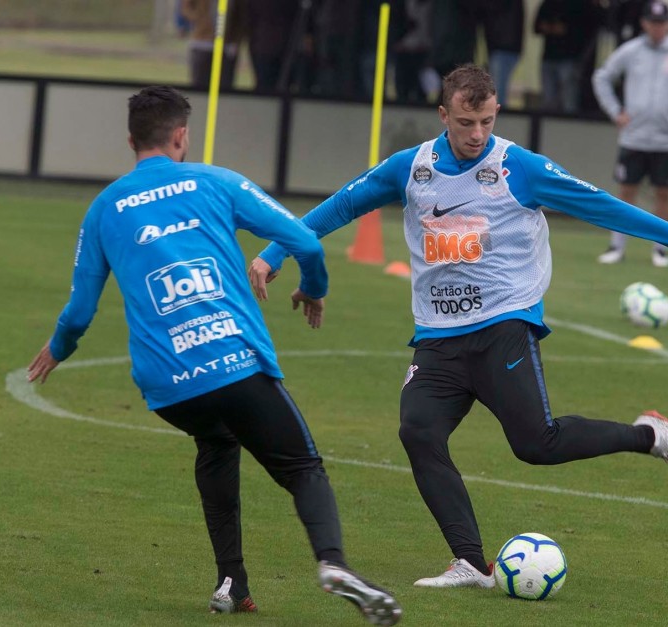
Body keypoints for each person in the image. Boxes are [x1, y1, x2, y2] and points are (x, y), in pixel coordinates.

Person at [249, 65, 668, 588]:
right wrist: (276, 252)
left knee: (535, 444)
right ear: (443, 116)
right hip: (437, 335)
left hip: (505, 322)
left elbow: (603, 207)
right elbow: (339, 206)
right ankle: (470, 563)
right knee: (419, 430)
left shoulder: (519, 167)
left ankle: (648, 435)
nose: (477, 134)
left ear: (496, 111)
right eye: (465, 122)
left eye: (486, 121)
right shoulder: (410, 168)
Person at [26, 86, 401, 625]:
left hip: (167, 387)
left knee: (216, 440)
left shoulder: (104, 207)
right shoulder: (217, 181)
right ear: (182, 136)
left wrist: (57, 350)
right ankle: (334, 564)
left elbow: (80, 311)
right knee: (303, 469)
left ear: (131, 139)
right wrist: (313, 286)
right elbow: (308, 244)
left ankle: (232, 582)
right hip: (234, 363)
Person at [592, 0, 668, 267]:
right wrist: (615, 111)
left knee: (664, 193)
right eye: (653, 23)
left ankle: (661, 249)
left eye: (662, 23)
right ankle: (616, 246)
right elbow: (602, 77)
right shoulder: (631, 51)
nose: (657, 28)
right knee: (626, 191)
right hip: (634, 137)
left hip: (666, 139)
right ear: (644, 23)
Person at [533, 0, 592, 113]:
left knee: (569, 99)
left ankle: (569, 127)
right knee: (548, 99)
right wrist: (553, 28)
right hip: (549, 57)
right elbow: (537, 27)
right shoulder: (548, 4)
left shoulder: (578, 5)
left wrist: (561, 29)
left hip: (568, 58)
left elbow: (582, 30)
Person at [180, 0, 247, 90]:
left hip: (227, 46)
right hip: (202, 43)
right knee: (200, 86)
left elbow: (242, 15)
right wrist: (201, 20)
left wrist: (236, 40)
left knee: (225, 87)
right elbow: (186, 8)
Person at [482, 0, 524, 109]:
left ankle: (499, 120)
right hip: (506, 45)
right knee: (498, 89)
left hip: (503, 45)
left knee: (497, 91)